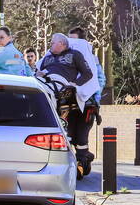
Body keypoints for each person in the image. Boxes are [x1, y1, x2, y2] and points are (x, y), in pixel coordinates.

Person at [37, 33, 96, 175]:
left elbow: (88, 74)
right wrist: (39, 74)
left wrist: (75, 84)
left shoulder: (75, 55)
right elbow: (41, 70)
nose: (50, 45)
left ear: (62, 44)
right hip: (45, 82)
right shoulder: (48, 57)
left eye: (52, 43)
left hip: (62, 86)